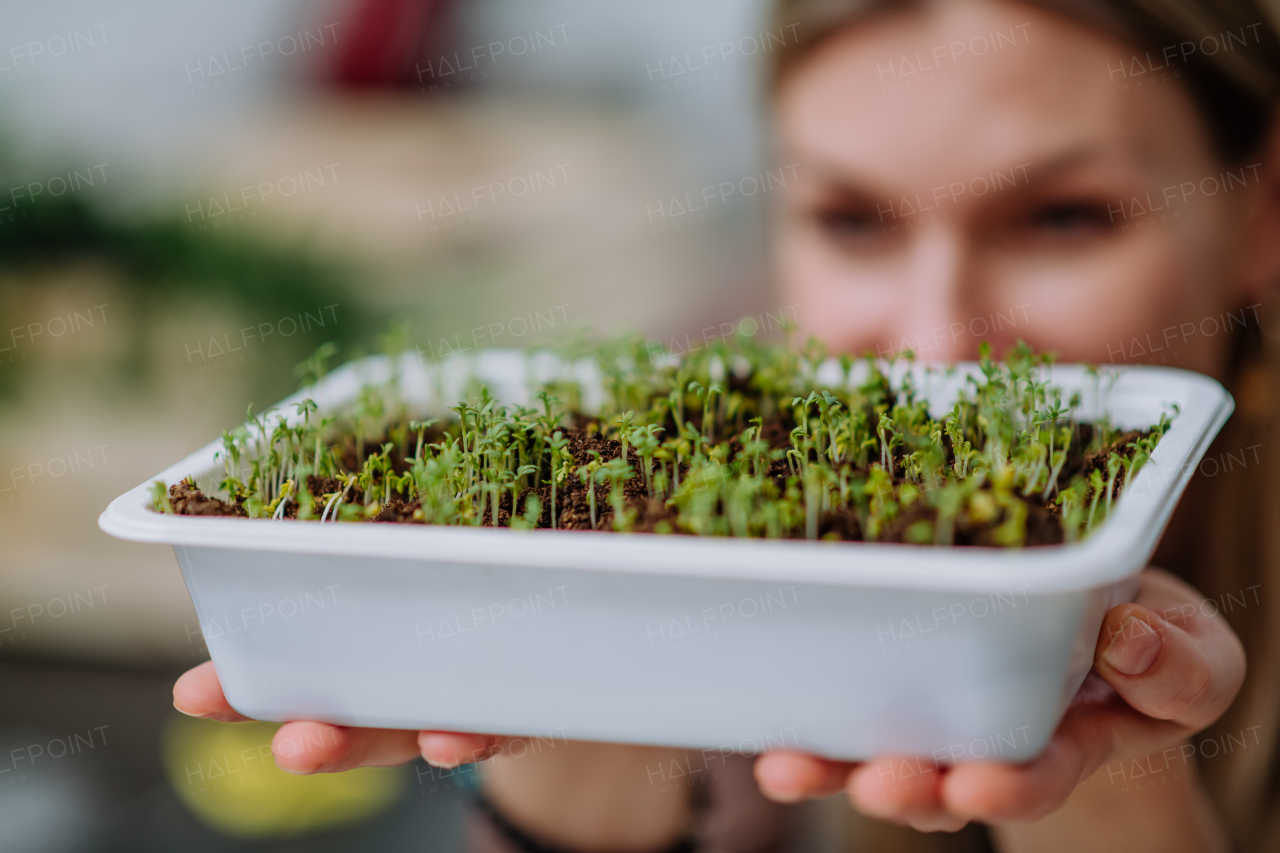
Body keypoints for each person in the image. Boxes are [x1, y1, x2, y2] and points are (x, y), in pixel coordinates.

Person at [173, 0, 1280, 849]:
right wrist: (577, 738)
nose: (937, 343)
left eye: (1061, 217)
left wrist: (1105, 782)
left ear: (1260, 211)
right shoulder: (742, 492)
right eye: (850, 219)